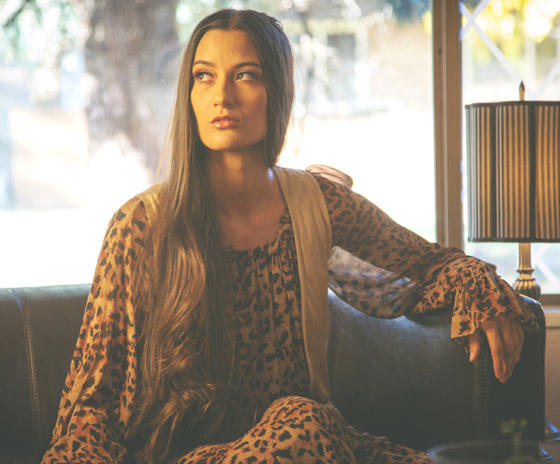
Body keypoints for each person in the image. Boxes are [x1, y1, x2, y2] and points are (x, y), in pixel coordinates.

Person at [42, 9, 538, 464]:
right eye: (204, 76)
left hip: (315, 446)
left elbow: (427, 263)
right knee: (303, 422)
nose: (222, 96)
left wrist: (482, 291)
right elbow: (91, 404)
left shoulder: (316, 203)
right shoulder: (141, 225)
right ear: (188, 94)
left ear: (276, 89)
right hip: (194, 455)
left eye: (245, 75)